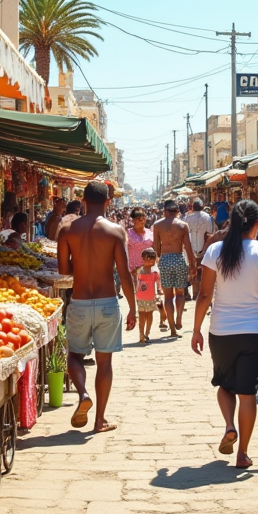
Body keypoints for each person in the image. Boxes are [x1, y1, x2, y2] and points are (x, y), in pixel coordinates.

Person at [191, 199, 258, 469]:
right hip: (255, 332)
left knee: (224, 384)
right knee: (249, 395)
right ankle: (243, 453)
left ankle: (229, 425)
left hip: (221, 331)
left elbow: (205, 294)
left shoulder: (215, 251)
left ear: (232, 222)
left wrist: (196, 329)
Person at [57, 181, 137, 433]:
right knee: (104, 362)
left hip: (79, 301)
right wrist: (133, 307)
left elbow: (62, 270)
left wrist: (80, 266)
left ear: (83, 200)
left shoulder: (67, 230)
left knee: (74, 355)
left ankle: (82, 394)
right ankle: (100, 420)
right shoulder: (115, 231)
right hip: (107, 303)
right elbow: (124, 275)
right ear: (108, 202)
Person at [152, 200, 196, 334]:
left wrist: (159, 259)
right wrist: (192, 264)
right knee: (180, 293)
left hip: (165, 260)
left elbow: (156, 247)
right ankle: (179, 318)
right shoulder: (183, 225)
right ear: (177, 212)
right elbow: (188, 247)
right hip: (178, 259)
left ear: (165, 211)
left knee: (168, 296)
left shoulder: (157, 225)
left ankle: (172, 328)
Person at [183, 199, 215, 297]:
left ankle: (188, 293)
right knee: (200, 270)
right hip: (203, 248)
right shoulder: (208, 218)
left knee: (189, 269)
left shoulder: (187, 218)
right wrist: (205, 248)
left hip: (189, 248)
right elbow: (209, 234)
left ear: (193, 207)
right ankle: (197, 294)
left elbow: (184, 234)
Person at [134, 249, 161, 343]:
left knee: (149, 314)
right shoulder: (140, 271)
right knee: (141, 314)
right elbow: (135, 281)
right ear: (143, 260)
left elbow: (158, 283)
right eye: (147, 260)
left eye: (152, 261)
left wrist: (159, 291)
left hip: (151, 297)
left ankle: (147, 333)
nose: (149, 263)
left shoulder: (154, 272)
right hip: (140, 297)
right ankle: (141, 334)